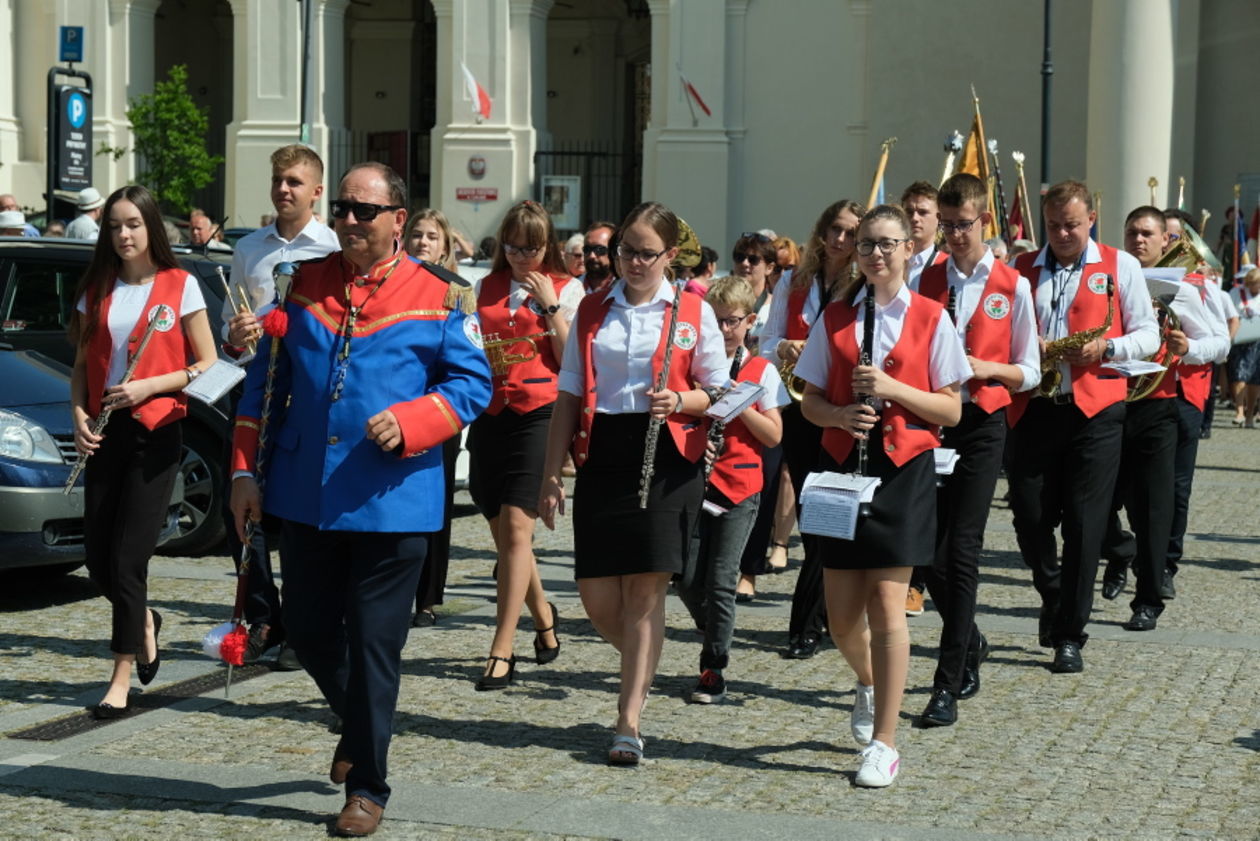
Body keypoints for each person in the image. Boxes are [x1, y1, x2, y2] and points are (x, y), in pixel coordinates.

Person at [229, 162, 492, 836]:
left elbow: (472, 387)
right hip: (307, 494)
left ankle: (369, 786)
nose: (348, 219)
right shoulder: (303, 283)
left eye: (363, 210)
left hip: (392, 499)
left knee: (375, 644)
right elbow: (262, 387)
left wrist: (415, 421)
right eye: (342, 207)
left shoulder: (442, 296)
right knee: (311, 632)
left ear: (397, 219)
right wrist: (241, 472)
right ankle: (360, 721)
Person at [538, 201, 728, 765]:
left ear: (670, 256)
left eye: (647, 254)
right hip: (604, 452)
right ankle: (645, 661)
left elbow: (718, 390)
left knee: (645, 594)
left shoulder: (694, 310)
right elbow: (568, 393)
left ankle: (627, 722)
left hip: (667, 455)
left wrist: (682, 399)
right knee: (597, 599)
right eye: (626, 252)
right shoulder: (593, 308)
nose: (634, 263)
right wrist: (551, 472)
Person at [796, 204, 968, 787]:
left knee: (888, 607)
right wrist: (841, 414)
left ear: (907, 249)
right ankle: (868, 683)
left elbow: (951, 407)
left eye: (888, 243)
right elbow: (808, 400)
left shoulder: (929, 316)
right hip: (844, 469)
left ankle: (884, 742)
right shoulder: (838, 315)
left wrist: (895, 388)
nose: (876, 253)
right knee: (841, 617)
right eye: (868, 243)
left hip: (905, 472)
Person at [69, 185, 218, 718]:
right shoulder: (99, 288)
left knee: (130, 561)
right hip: (105, 432)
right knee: (98, 564)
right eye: (114, 226)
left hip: (156, 432)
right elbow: (83, 367)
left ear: (151, 226)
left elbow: (208, 362)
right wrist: (80, 417)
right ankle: (145, 622)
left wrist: (151, 386)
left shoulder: (181, 284)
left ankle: (120, 675)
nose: (124, 235)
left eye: (132, 224)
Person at [1007, 180, 1158, 673]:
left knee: (1084, 523)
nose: (1063, 234)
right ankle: (1053, 594)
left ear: (1092, 218)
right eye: (1053, 226)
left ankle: (1070, 633)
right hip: (1035, 407)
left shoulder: (1121, 265)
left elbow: (1148, 335)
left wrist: (1107, 349)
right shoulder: (1022, 268)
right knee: (1029, 518)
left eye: (1072, 224)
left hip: (1095, 410)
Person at [914, 174, 1039, 727]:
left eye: (964, 224)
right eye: (947, 225)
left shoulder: (1013, 285)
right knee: (922, 548)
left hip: (983, 421)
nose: (955, 234)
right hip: (931, 419)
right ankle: (969, 636)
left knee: (962, 547)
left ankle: (947, 679)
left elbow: (1031, 371)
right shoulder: (926, 275)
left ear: (985, 220)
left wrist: (989, 368)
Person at [222, 144, 340, 668]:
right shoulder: (249, 248)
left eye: (294, 181)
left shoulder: (334, 247)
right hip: (258, 389)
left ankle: (302, 623)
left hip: (308, 394)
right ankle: (263, 616)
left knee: (297, 514)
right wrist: (238, 332)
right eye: (277, 180)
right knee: (246, 509)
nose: (283, 189)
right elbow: (232, 334)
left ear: (316, 190)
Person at [469, 200, 582, 689]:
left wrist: (550, 305)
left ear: (547, 246)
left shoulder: (566, 286)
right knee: (504, 535)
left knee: (519, 529)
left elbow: (571, 357)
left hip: (540, 412)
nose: (520, 256)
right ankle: (543, 616)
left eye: (531, 248)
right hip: (492, 413)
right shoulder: (484, 287)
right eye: (512, 247)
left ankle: (501, 648)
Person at [1097, 206, 1225, 631]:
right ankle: (1118, 551)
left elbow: (1219, 343)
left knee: (1154, 508)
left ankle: (1148, 598)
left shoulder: (1185, 288)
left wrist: (1188, 348)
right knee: (1091, 502)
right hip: (1109, 400)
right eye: (1132, 232)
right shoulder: (1109, 280)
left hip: (1157, 404)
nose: (1138, 240)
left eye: (1147, 234)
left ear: (1163, 240)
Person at [760, 199, 864, 657]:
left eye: (849, 233)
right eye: (834, 230)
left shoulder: (862, 286)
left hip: (840, 410)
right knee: (811, 512)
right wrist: (785, 346)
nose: (840, 240)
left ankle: (808, 624)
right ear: (822, 233)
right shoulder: (792, 279)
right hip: (799, 409)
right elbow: (765, 340)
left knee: (830, 519)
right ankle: (818, 619)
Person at [677, 276, 786, 703]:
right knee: (685, 576)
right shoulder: (695, 366)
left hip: (740, 485)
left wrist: (741, 405)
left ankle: (713, 667)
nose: (723, 330)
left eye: (733, 322)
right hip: (695, 482)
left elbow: (774, 436)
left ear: (750, 321)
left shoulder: (761, 369)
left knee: (722, 580)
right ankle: (717, 627)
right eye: (716, 321)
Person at [403, 207, 465, 628]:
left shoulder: (457, 290)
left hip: (438, 410)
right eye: (417, 235)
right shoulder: (395, 283)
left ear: (445, 246)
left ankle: (426, 597)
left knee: (434, 506)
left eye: (432, 237)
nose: (423, 242)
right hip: (396, 406)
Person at [579, 221, 617, 294]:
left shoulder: (626, 289)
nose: (592, 256)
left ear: (613, 251)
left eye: (599, 249)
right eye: (587, 249)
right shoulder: (571, 288)